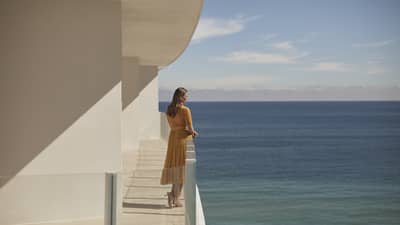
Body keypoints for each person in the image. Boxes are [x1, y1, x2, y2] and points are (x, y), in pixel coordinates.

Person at [160, 87, 198, 208]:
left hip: (173, 139)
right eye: (185, 95)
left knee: (176, 167)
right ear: (180, 97)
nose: (186, 98)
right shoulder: (185, 110)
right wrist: (194, 133)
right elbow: (189, 128)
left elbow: (172, 125)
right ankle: (176, 199)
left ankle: (172, 194)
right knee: (182, 170)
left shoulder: (169, 109)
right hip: (182, 139)